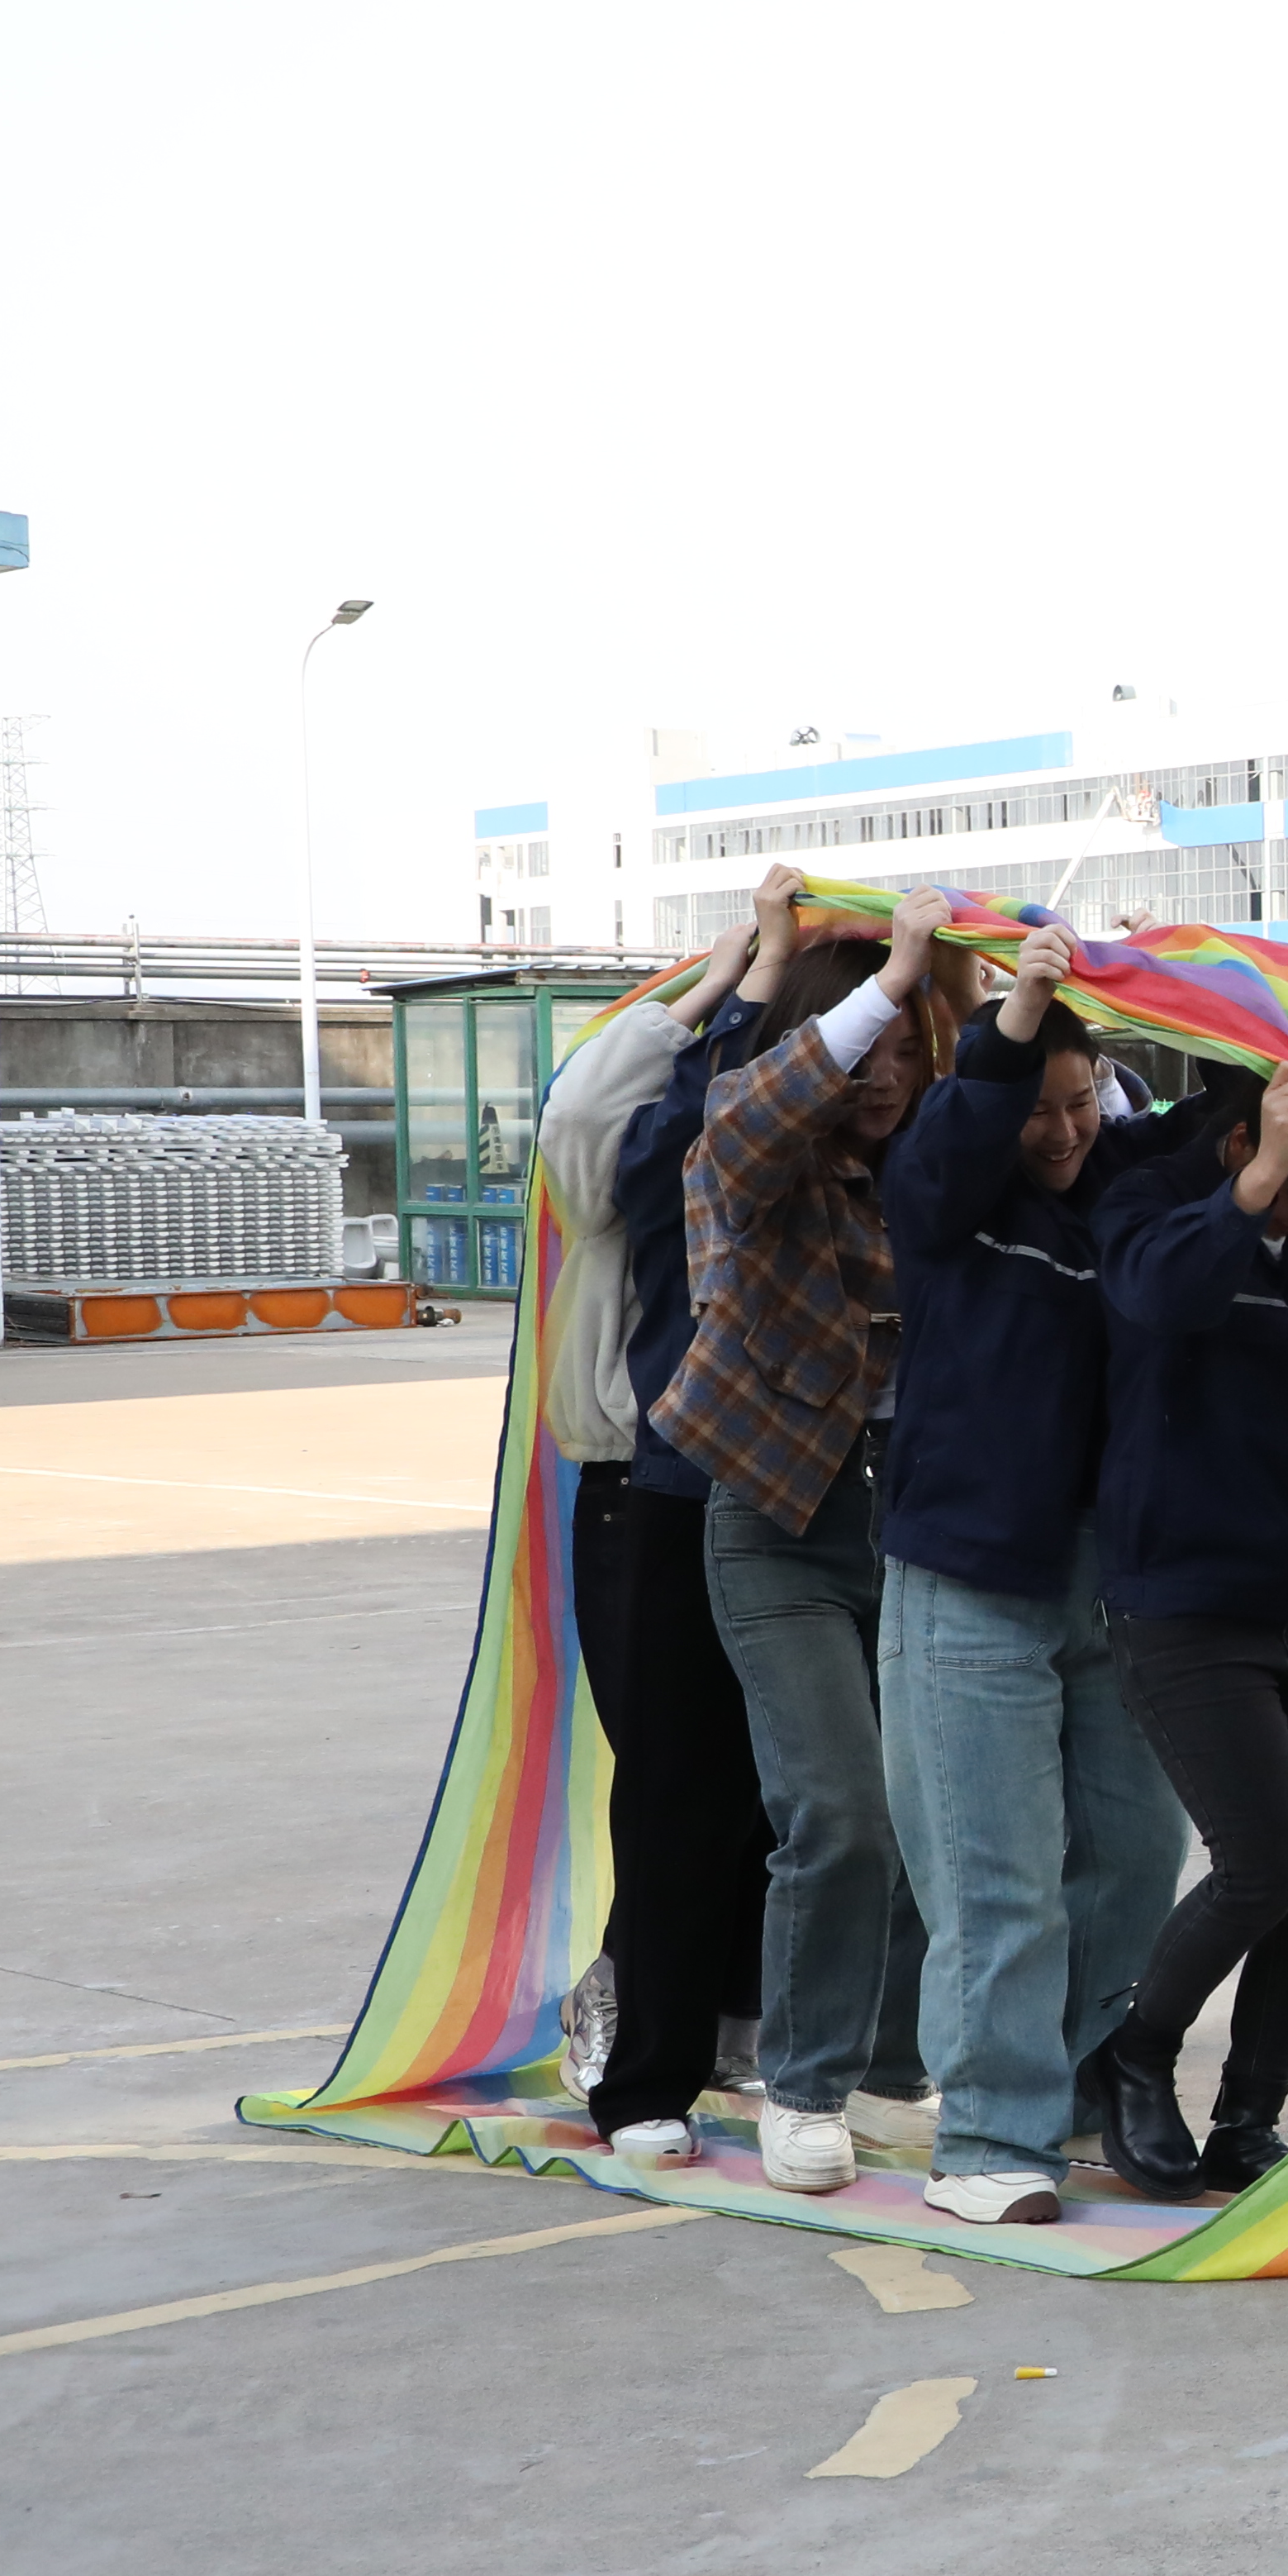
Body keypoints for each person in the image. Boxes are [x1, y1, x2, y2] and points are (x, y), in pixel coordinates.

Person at [866, 914, 1197, 2228]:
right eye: (1038, 1107)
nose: (1059, 1133)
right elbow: (956, 1136)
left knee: (1131, 1857)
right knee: (993, 1874)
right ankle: (990, 2140)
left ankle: (1065, 2089)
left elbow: (1207, 1133)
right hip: (966, 1582)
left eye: (1082, 1103)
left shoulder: (1117, 1198)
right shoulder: (947, 1202)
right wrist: (1010, 1025)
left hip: (1107, 1584)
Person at [658, 886, 955, 2207]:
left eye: (911, 1046)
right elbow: (746, 1120)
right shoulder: (751, 1149)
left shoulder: (942, 1162)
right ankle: (806, 2084)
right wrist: (884, 981)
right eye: (868, 1041)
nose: (888, 1075)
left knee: (923, 1810)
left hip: (920, 1523)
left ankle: (891, 2068)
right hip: (777, 1523)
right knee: (833, 1806)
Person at [1091, 1055, 1288, 2201]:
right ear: (1245, 1148)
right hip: (1188, 1601)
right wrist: (1264, 1183)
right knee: (1264, 1862)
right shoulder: (1152, 1208)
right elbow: (1161, 1295)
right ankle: (1135, 2054)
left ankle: (1249, 2119)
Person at [542, 905, 768, 2159]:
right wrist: (722, 984)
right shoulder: (640, 1158)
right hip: (647, 1483)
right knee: (683, 1784)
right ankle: (641, 2064)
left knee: (785, 1790)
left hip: (775, 1490)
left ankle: (729, 2024)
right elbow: (578, 1119)